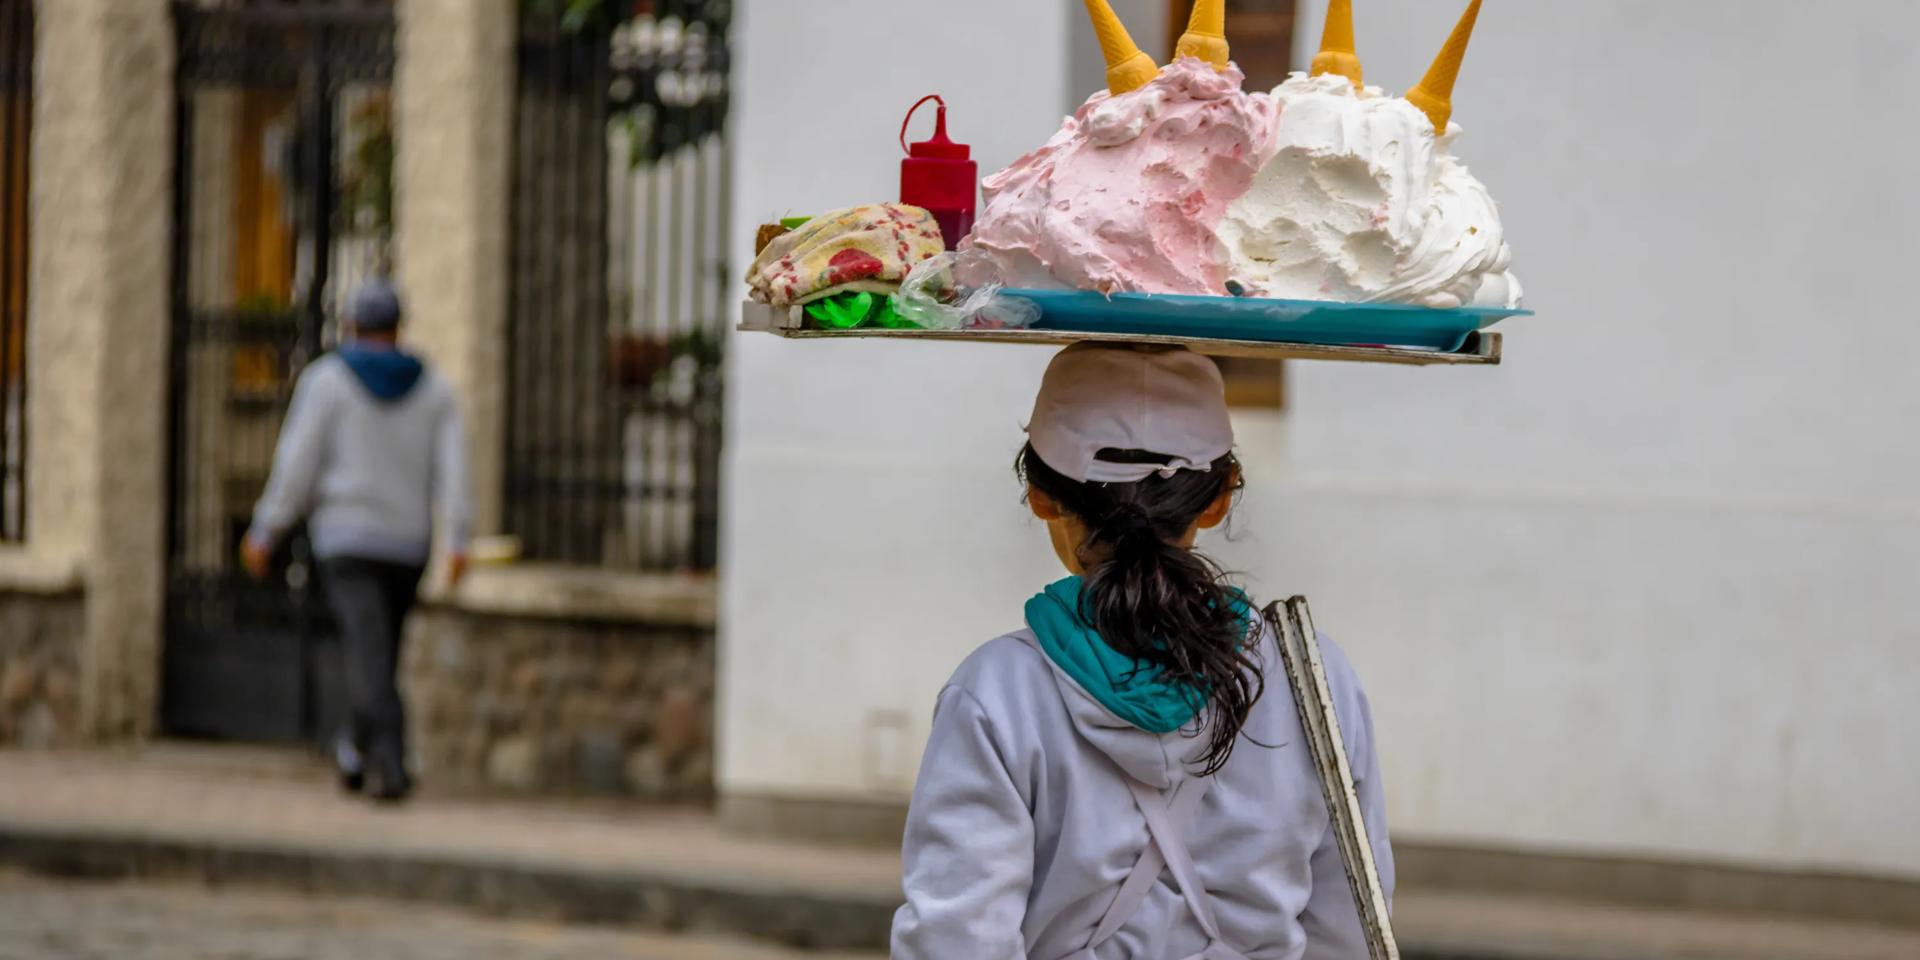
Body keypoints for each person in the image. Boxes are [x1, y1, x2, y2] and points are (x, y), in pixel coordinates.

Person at [891, 344, 1392, 958]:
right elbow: (1350, 929)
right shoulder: (1315, 677)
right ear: (1219, 498)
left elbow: (956, 940)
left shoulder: (998, 692)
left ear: (1041, 495)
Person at [242, 279, 470, 803]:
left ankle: (387, 762)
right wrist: (456, 537)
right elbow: (455, 472)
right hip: (407, 543)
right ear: (398, 328)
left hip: (345, 540)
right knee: (378, 652)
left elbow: (296, 465)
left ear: (351, 327)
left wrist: (265, 529)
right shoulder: (435, 389)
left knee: (371, 655)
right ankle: (355, 748)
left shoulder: (327, 382)